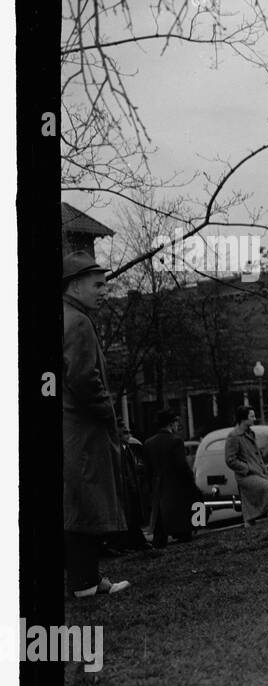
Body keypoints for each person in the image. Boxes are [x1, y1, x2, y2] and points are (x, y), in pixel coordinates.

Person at [62, 251, 129, 598]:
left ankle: (85, 579)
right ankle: (85, 582)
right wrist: (109, 414)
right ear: (75, 285)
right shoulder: (79, 322)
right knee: (87, 504)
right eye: (98, 285)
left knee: (77, 503)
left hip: (71, 429)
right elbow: (84, 379)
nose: (104, 290)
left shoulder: (66, 316)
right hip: (84, 430)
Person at [144, 409, 200, 547]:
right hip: (176, 484)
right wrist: (191, 480)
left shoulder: (149, 443)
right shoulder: (176, 441)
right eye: (176, 422)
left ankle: (160, 539)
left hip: (158, 485)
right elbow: (181, 465)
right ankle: (194, 528)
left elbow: (147, 469)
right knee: (193, 503)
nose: (177, 426)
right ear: (171, 424)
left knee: (161, 515)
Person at [224, 405, 268, 523]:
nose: (255, 418)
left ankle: (265, 522)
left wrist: (263, 468)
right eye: (252, 416)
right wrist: (247, 468)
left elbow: (256, 454)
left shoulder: (251, 433)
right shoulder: (233, 436)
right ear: (244, 419)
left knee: (266, 496)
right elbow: (230, 460)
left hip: (257, 472)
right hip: (245, 476)